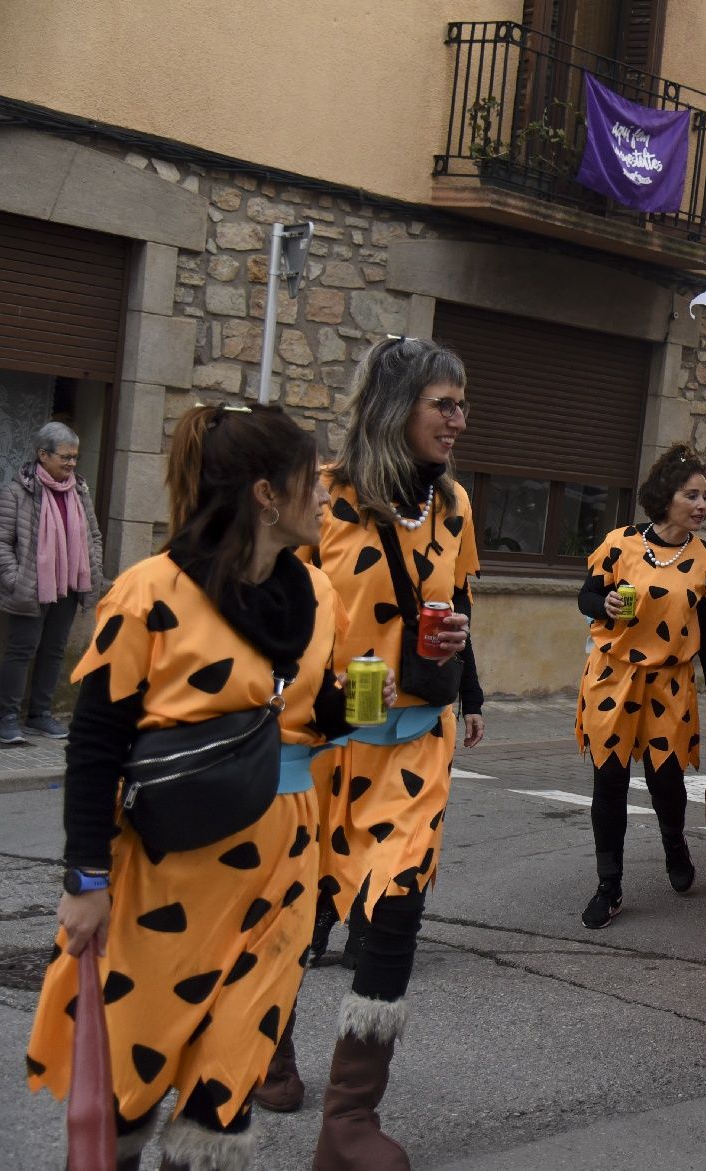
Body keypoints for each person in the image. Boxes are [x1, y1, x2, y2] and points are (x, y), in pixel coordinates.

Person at [25, 404, 359, 1170]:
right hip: (172, 874)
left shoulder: (318, 595)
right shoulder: (150, 592)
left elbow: (314, 714)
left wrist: (383, 697)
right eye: (312, 481)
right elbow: (96, 740)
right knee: (133, 1071)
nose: (325, 498)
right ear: (268, 495)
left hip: (283, 869)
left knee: (231, 1068)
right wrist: (84, 875)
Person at [283, 335, 484, 1169]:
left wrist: (466, 673)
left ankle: (350, 1119)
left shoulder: (454, 506)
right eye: (444, 403)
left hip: (413, 747)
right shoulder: (320, 503)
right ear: (396, 405)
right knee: (297, 910)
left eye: (462, 404)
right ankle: (265, 1047)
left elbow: (457, 594)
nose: (458, 420)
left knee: (395, 908)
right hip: (321, 743)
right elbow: (270, 611)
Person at [576, 443, 706, 930]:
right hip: (612, 675)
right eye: (693, 495)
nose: (702, 505)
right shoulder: (620, 544)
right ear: (667, 497)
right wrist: (605, 608)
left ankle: (674, 845)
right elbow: (587, 595)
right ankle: (609, 885)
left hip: (670, 682)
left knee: (666, 781)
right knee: (610, 780)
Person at [0, 422, 106, 744]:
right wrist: (15, 579)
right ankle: (6, 718)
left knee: (54, 650)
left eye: (75, 457)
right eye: (66, 456)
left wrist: (93, 568)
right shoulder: (17, 492)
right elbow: (2, 542)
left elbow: (94, 536)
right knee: (21, 650)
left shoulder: (79, 491)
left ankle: (40, 715)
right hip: (31, 586)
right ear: (42, 455)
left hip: (69, 585)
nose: (72, 463)